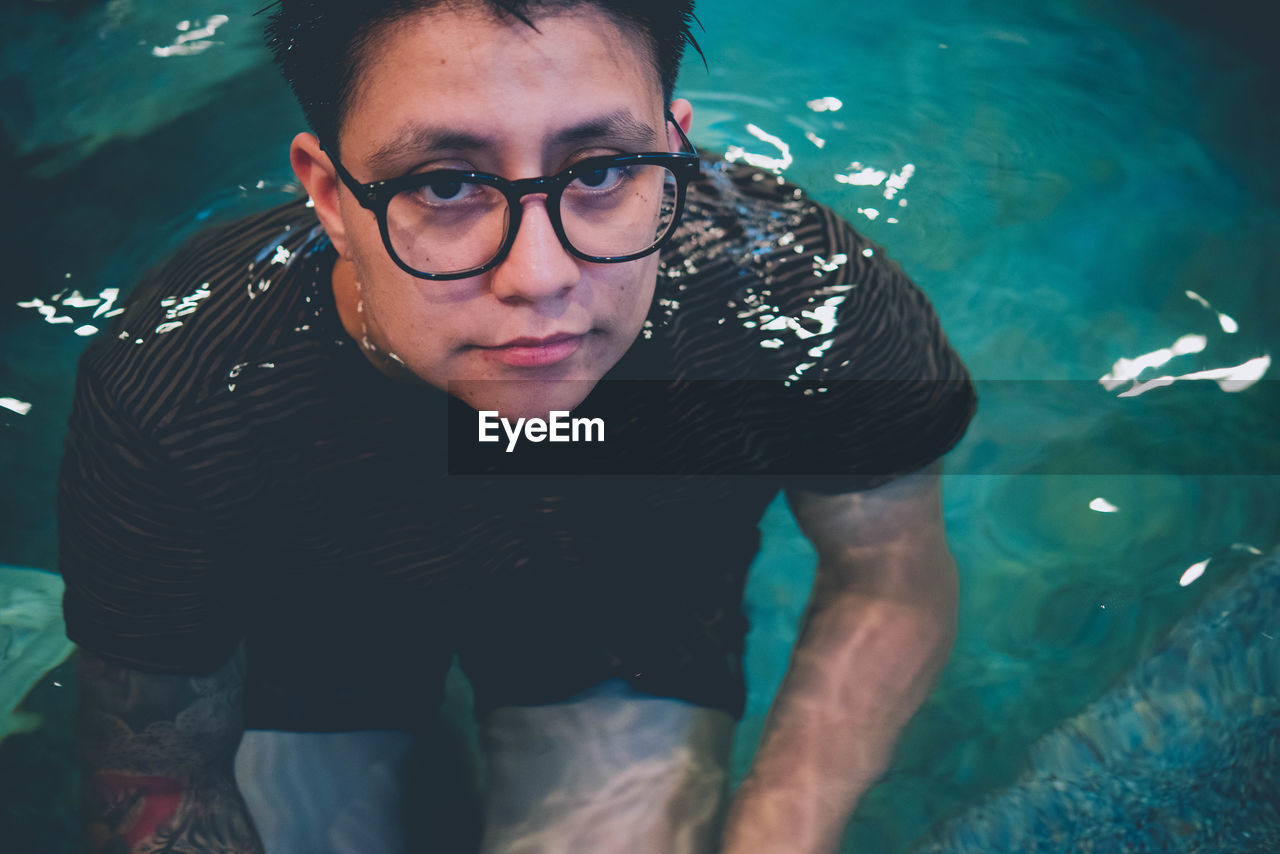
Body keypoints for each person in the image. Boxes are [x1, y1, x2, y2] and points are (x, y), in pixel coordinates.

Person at [58, 1, 976, 852]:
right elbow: (157, 754)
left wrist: (772, 838)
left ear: (675, 157)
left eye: (604, 170)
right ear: (331, 197)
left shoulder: (796, 297)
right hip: (323, 637)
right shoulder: (183, 382)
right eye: (446, 182)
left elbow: (887, 586)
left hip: (626, 618)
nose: (539, 276)